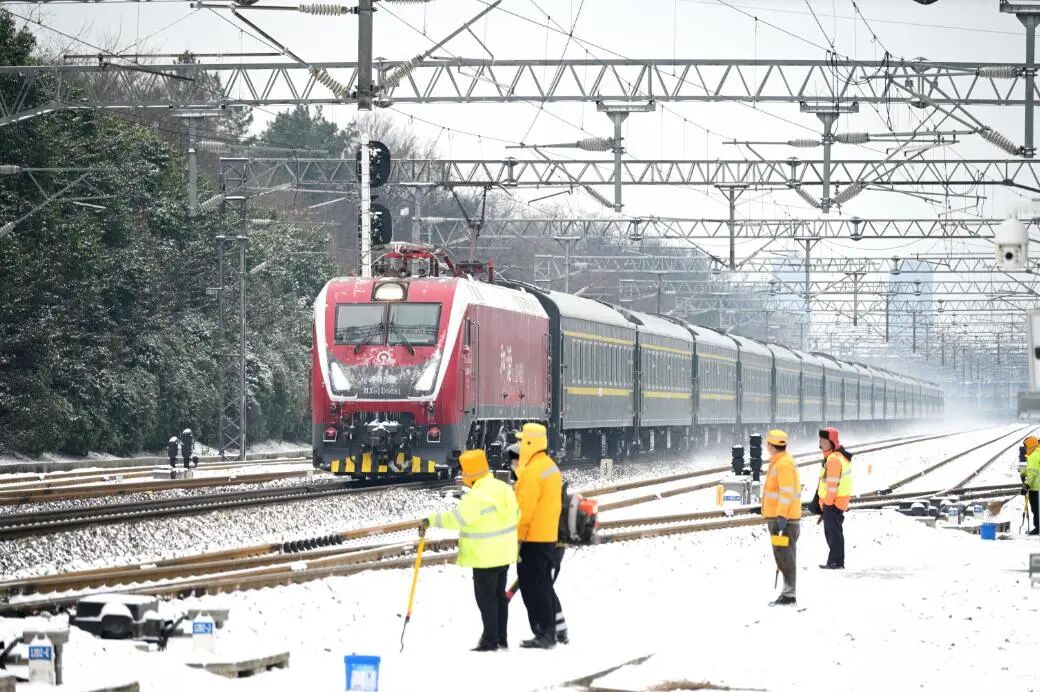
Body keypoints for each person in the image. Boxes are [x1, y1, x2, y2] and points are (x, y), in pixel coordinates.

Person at [423, 449, 519, 651]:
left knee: (487, 600)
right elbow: (517, 514)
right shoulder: (503, 488)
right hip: (504, 554)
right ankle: (501, 638)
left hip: (484, 556)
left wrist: (431, 520)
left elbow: (457, 519)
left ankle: (490, 640)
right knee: (499, 598)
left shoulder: (477, 496)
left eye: (463, 471)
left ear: (470, 474)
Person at [505, 442, 569, 645]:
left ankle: (545, 633)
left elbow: (525, 514)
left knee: (536, 588)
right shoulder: (546, 467)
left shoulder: (530, 476)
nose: (512, 465)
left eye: (513, 461)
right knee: (543, 586)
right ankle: (557, 630)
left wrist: (518, 540)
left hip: (537, 539)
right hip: (551, 538)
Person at [762, 429, 801, 606]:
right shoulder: (780, 462)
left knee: (785, 557)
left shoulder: (783, 464)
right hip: (780, 518)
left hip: (784, 520)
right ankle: (787, 593)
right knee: (782, 556)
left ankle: (789, 595)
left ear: (771, 446)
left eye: (767, 443)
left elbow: (786, 493)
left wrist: (781, 516)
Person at [817, 427, 853, 569]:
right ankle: (836, 561)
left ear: (832, 442)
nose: (821, 443)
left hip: (833, 503)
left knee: (833, 534)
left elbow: (832, 486)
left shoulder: (833, 460)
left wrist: (827, 503)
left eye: (824, 440)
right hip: (838, 501)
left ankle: (835, 562)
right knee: (835, 533)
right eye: (820, 440)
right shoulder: (838, 456)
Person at [1024, 436, 1040, 536]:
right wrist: (1024, 473)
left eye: (1026, 446)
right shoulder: (1038, 453)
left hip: (1035, 488)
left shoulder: (1034, 456)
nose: (1026, 449)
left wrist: (1027, 485)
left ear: (1030, 446)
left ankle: (1038, 528)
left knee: (1036, 509)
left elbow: (1033, 472)